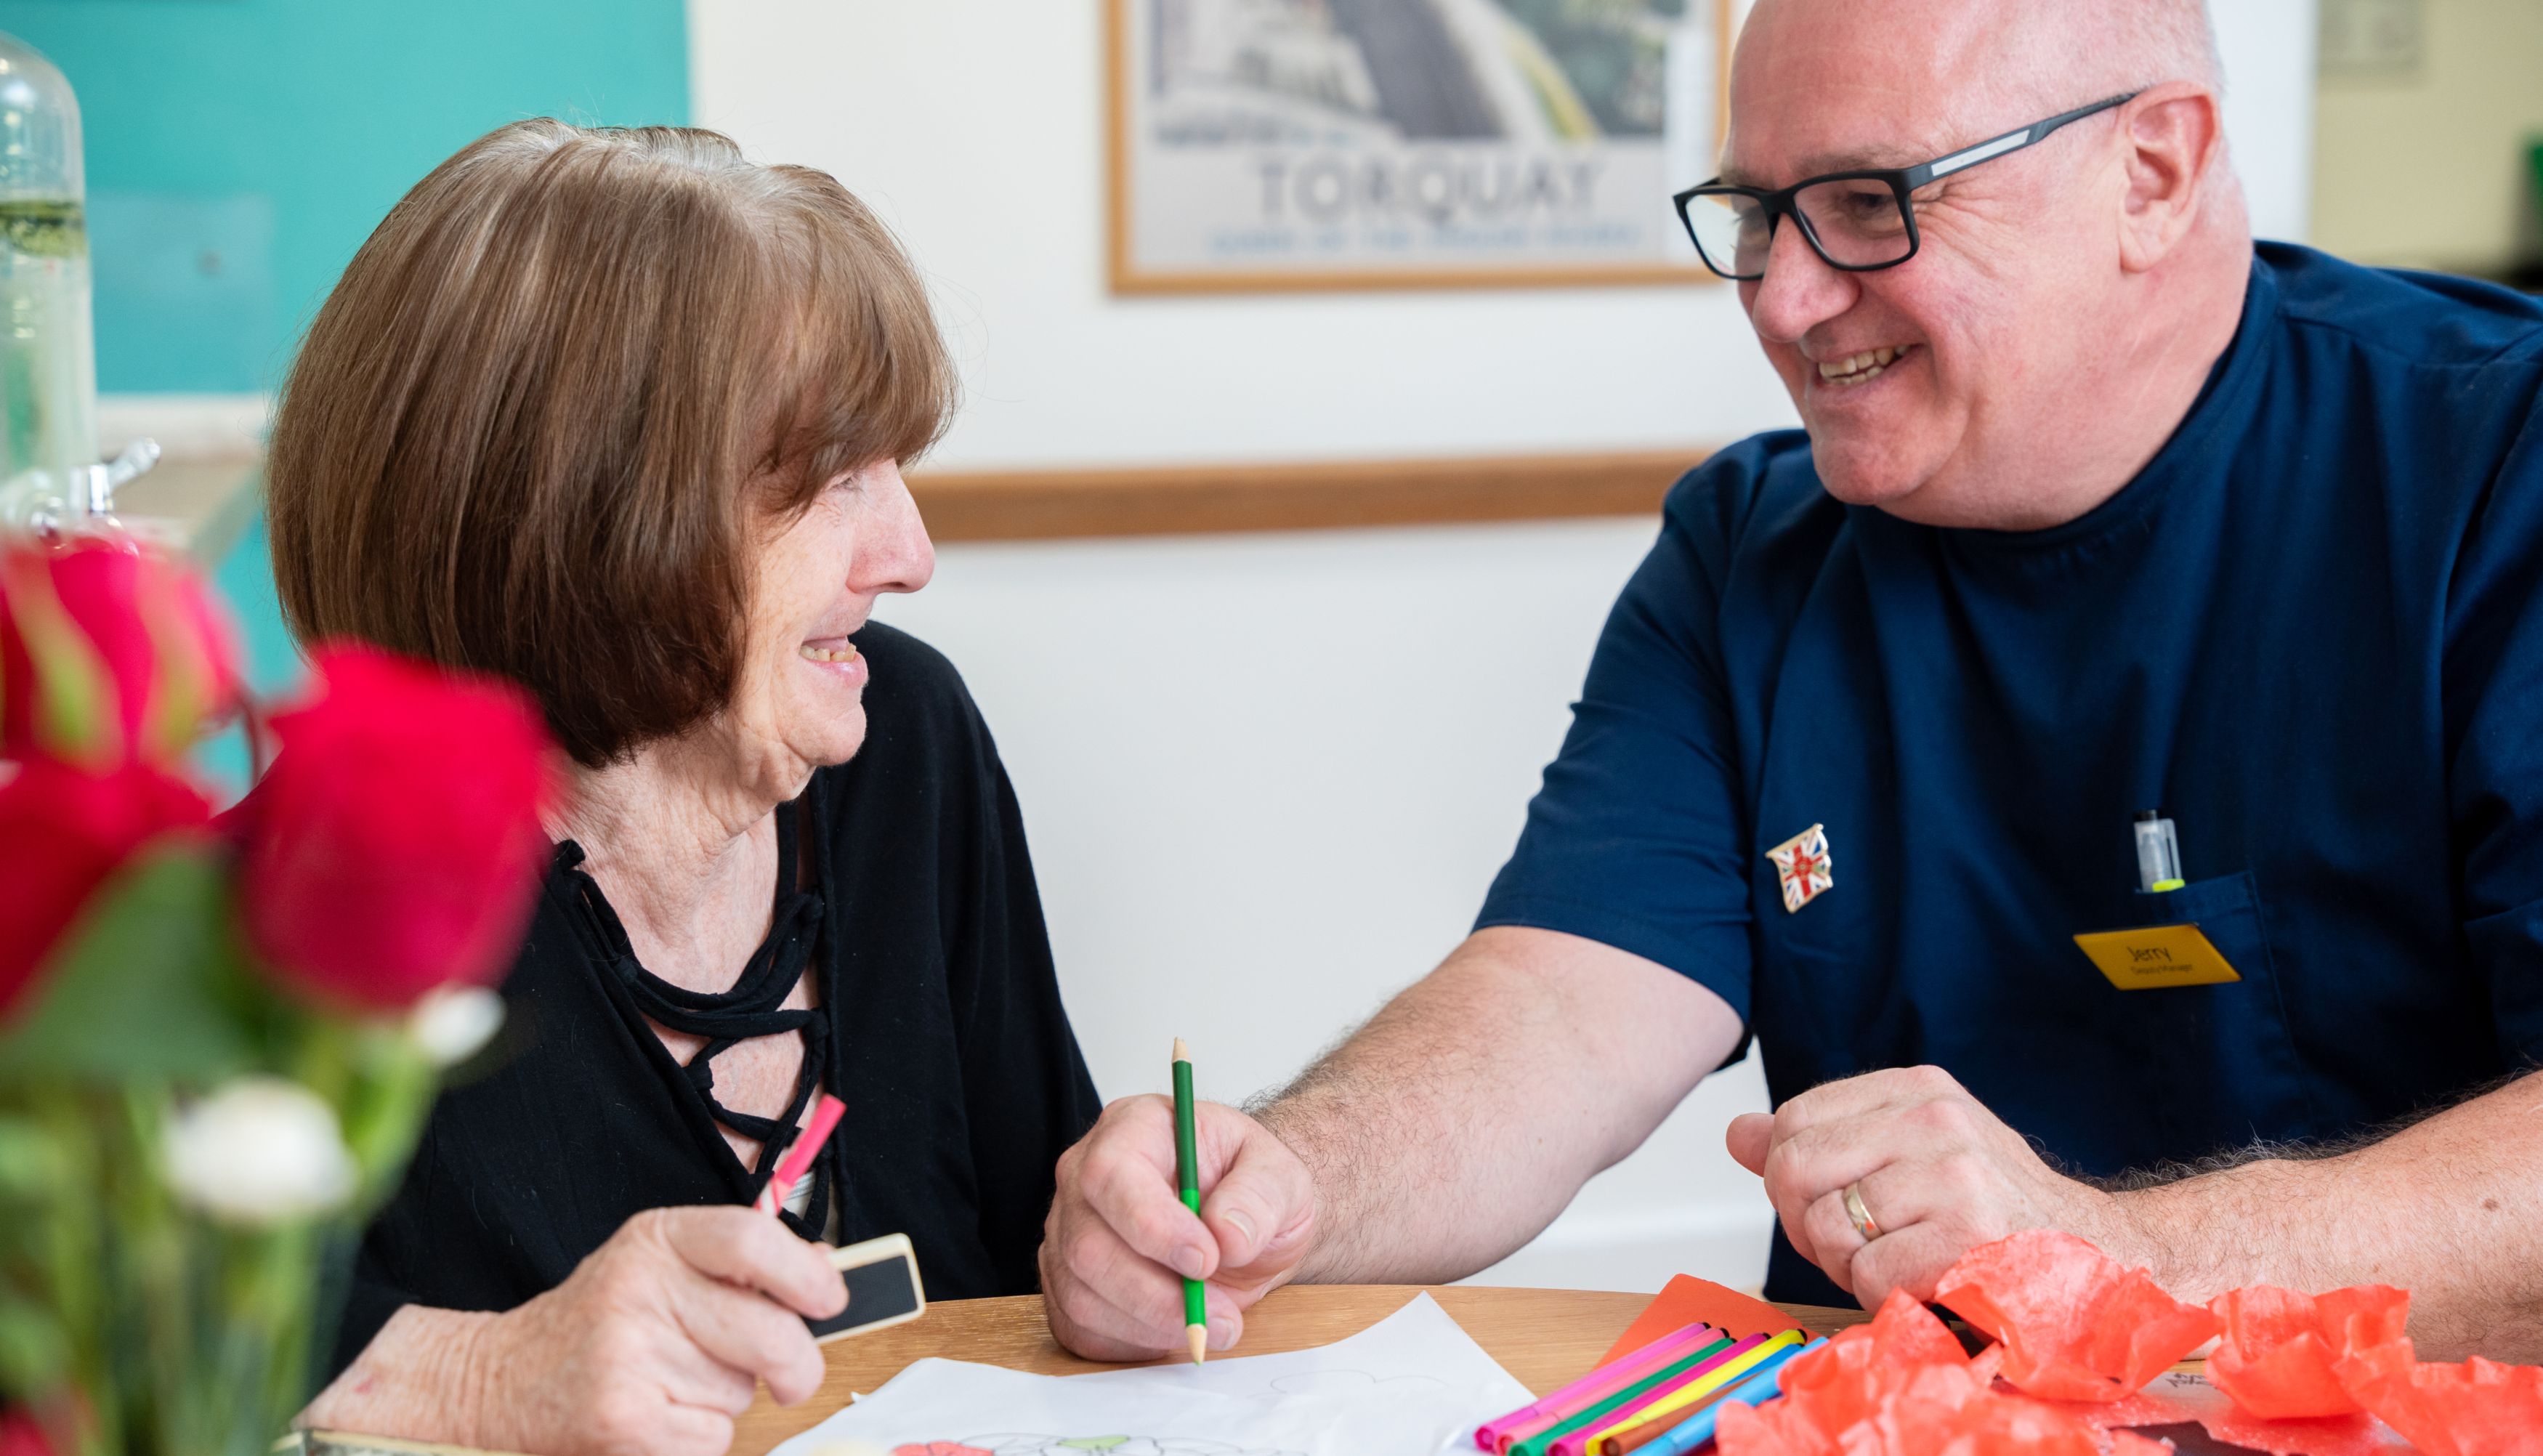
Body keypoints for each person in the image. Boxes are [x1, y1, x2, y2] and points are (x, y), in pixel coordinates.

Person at [1040, 0, 2543, 1367]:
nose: (1782, 299)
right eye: (1758, 214)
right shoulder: (1749, 546)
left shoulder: (2493, 467)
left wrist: (2129, 1259)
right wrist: (1294, 1181)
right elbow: (1561, 1011)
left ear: (2148, 170)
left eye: (1866, 205)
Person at [270, 121, 1102, 1456]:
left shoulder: (908, 745)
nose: (912, 552)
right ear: (592, 513)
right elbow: (131, 1355)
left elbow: (1036, 1251)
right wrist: (477, 1380)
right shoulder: (297, 903)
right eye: (838, 480)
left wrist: (1111, 1237)